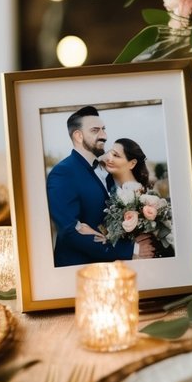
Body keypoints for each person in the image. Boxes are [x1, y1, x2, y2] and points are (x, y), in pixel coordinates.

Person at [46, 107, 154, 266]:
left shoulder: (107, 169)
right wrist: (132, 250)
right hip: (78, 270)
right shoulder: (63, 173)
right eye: (95, 130)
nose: (104, 136)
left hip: (112, 268)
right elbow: (70, 232)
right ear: (78, 135)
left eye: (103, 129)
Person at [77, 137, 173, 256]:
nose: (109, 158)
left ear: (132, 163)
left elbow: (129, 237)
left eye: (116, 156)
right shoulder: (111, 185)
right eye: (110, 153)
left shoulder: (135, 193)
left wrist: (94, 233)